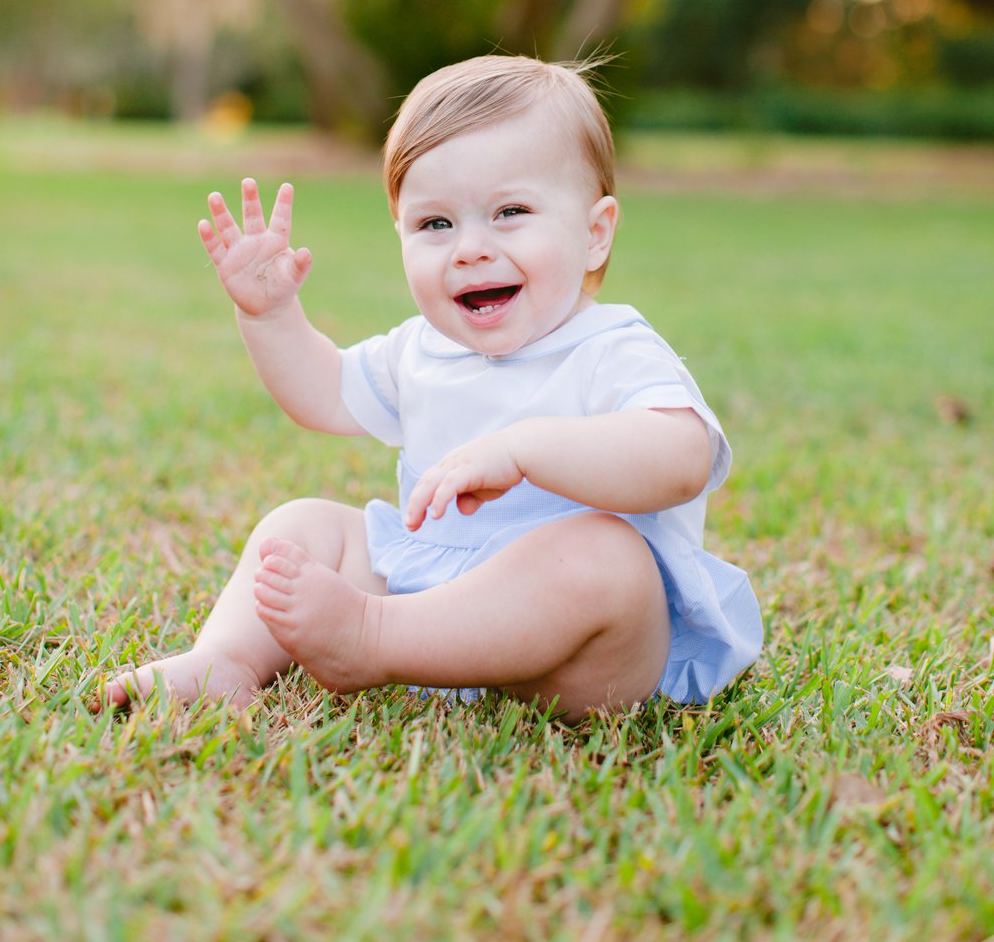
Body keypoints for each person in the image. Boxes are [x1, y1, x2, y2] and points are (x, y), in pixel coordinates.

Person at [105, 55, 761, 723]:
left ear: (595, 234)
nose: (469, 248)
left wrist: (526, 449)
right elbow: (324, 393)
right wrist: (270, 316)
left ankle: (372, 640)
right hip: (431, 589)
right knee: (300, 525)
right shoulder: (422, 348)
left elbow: (682, 458)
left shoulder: (610, 349)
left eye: (510, 212)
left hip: (578, 654)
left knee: (608, 560)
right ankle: (229, 661)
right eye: (435, 225)